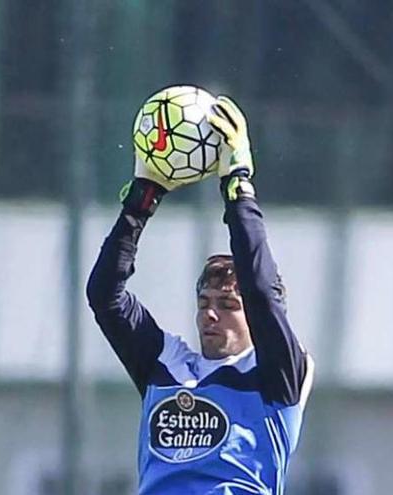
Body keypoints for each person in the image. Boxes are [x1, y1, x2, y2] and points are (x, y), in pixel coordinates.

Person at [86, 94, 314, 494]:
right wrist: (141, 200)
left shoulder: (277, 373)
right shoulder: (167, 366)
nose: (211, 315)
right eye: (205, 303)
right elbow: (105, 294)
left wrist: (238, 186)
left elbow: (261, 292)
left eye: (228, 306)